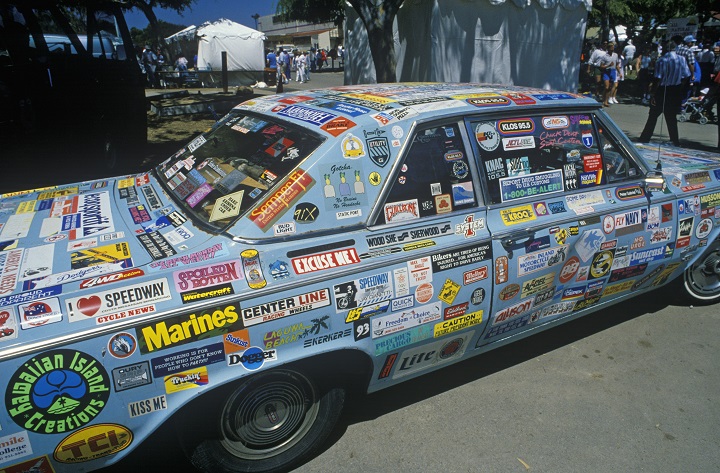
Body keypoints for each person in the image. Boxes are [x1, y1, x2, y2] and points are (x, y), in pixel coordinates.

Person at [638, 41, 691, 147]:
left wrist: (653, 93)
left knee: (653, 115)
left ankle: (645, 137)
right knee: (671, 117)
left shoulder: (662, 60)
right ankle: (675, 140)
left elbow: (657, 78)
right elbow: (686, 75)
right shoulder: (681, 59)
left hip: (663, 89)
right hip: (675, 89)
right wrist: (679, 86)